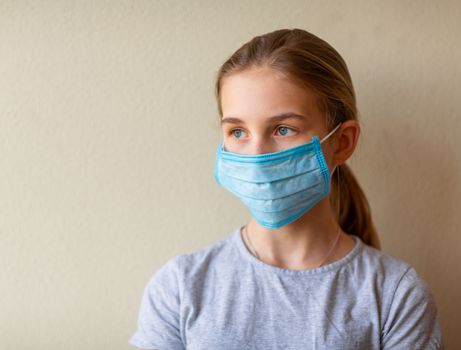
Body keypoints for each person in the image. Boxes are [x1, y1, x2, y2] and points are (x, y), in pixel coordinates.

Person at [129, 28, 444, 349]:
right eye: (238, 132)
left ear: (342, 142)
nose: (257, 154)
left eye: (283, 129)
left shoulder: (395, 296)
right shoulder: (179, 287)